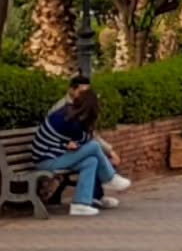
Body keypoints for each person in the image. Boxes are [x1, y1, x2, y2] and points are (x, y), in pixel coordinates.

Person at [31, 78, 131, 216]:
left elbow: (68, 138)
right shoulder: (68, 118)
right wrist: (108, 152)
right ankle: (109, 178)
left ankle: (81, 204)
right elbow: (88, 140)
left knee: (91, 161)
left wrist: (66, 143)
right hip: (48, 161)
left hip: (56, 154)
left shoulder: (70, 113)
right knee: (94, 147)